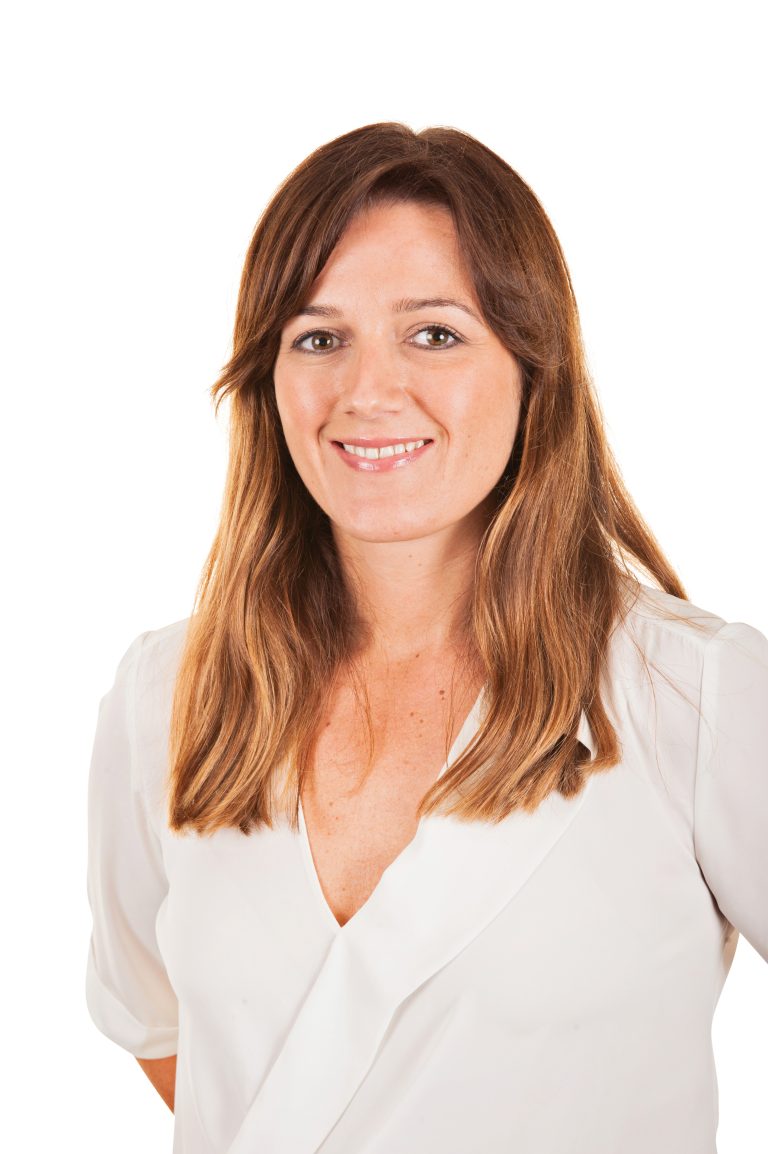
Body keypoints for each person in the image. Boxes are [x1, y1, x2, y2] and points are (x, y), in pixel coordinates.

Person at [85, 122, 768, 1154]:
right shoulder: (168, 697)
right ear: (269, 379)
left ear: (533, 366)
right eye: (319, 338)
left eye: (435, 334)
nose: (367, 392)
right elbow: (165, 1032)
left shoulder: (694, 694)